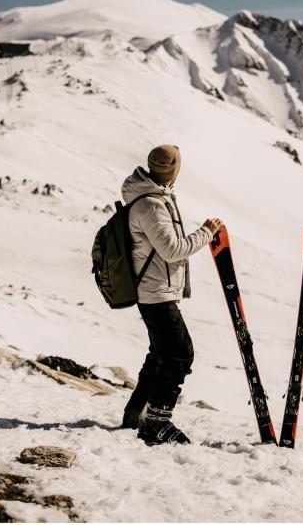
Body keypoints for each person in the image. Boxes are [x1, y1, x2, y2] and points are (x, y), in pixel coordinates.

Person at [120, 144, 222, 445]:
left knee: (161, 355)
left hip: (157, 289)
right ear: (172, 171)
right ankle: (156, 422)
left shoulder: (153, 197)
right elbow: (172, 249)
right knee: (180, 354)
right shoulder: (151, 204)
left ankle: (135, 413)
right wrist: (206, 231)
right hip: (154, 292)